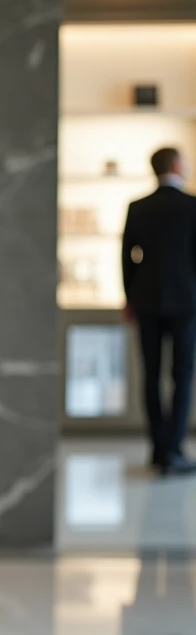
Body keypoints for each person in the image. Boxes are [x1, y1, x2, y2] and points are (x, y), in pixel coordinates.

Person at [122, 147, 196, 475]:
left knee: (151, 376)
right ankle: (174, 449)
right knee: (182, 376)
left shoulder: (138, 207)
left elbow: (127, 258)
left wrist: (129, 298)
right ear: (177, 166)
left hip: (146, 302)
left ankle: (157, 448)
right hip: (186, 303)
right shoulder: (192, 206)